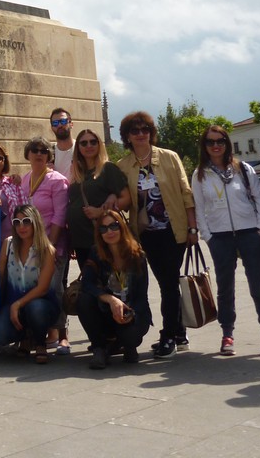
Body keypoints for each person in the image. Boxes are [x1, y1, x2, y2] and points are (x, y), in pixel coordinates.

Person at [116, 111, 196, 360]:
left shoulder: (169, 157)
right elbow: (122, 199)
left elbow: (186, 193)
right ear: (127, 136)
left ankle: (169, 336)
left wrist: (193, 228)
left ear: (151, 133)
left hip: (173, 230)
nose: (141, 134)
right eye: (135, 131)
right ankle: (179, 334)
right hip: (145, 234)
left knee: (168, 283)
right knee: (168, 283)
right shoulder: (123, 165)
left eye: (145, 130)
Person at [191, 125, 260, 357]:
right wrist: (207, 235)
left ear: (227, 143)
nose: (216, 145)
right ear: (204, 146)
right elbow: (199, 207)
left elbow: (259, 197)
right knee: (225, 289)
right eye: (210, 142)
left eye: (220, 141)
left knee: (258, 288)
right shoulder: (200, 174)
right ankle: (227, 334)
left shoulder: (243, 169)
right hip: (220, 237)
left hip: (249, 234)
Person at [77, 212, 152, 369]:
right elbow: (87, 284)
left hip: (131, 312)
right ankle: (99, 347)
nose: (109, 232)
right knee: (84, 299)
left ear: (122, 227)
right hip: (107, 311)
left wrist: (130, 314)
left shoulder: (137, 255)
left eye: (113, 226)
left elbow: (141, 296)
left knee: (130, 337)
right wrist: (110, 300)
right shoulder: (96, 253)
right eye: (103, 229)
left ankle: (123, 345)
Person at [0, 206, 59, 363]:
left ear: (36, 222)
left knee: (36, 308)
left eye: (26, 221)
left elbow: (43, 289)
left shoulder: (47, 250)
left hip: (42, 304)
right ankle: (25, 337)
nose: (22, 226)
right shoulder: (8, 244)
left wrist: (18, 304)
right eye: (17, 222)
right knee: (1, 334)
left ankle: (40, 343)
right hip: (12, 304)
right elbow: (0, 277)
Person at [20, 136, 70, 353]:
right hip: (31, 248)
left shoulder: (57, 180)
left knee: (55, 289)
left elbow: (60, 214)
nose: (39, 154)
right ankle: (38, 334)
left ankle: (62, 335)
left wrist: (52, 244)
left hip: (52, 245)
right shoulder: (25, 179)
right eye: (35, 150)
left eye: (43, 151)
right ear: (28, 154)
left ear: (49, 155)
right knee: (35, 290)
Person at [66, 129, 129, 267]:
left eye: (93, 142)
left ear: (99, 144)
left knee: (107, 278)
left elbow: (126, 199)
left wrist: (101, 212)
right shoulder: (78, 173)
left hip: (101, 239)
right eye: (84, 143)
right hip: (80, 241)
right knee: (89, 279)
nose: (89, 146)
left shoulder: (108, 168)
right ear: (78, 148)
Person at [49, 108, 75, 179]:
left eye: (63, 121)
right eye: (55, 123)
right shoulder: (49, 154)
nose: (59, 125)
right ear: (52, 128)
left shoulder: (81, 148)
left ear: (71, 124)